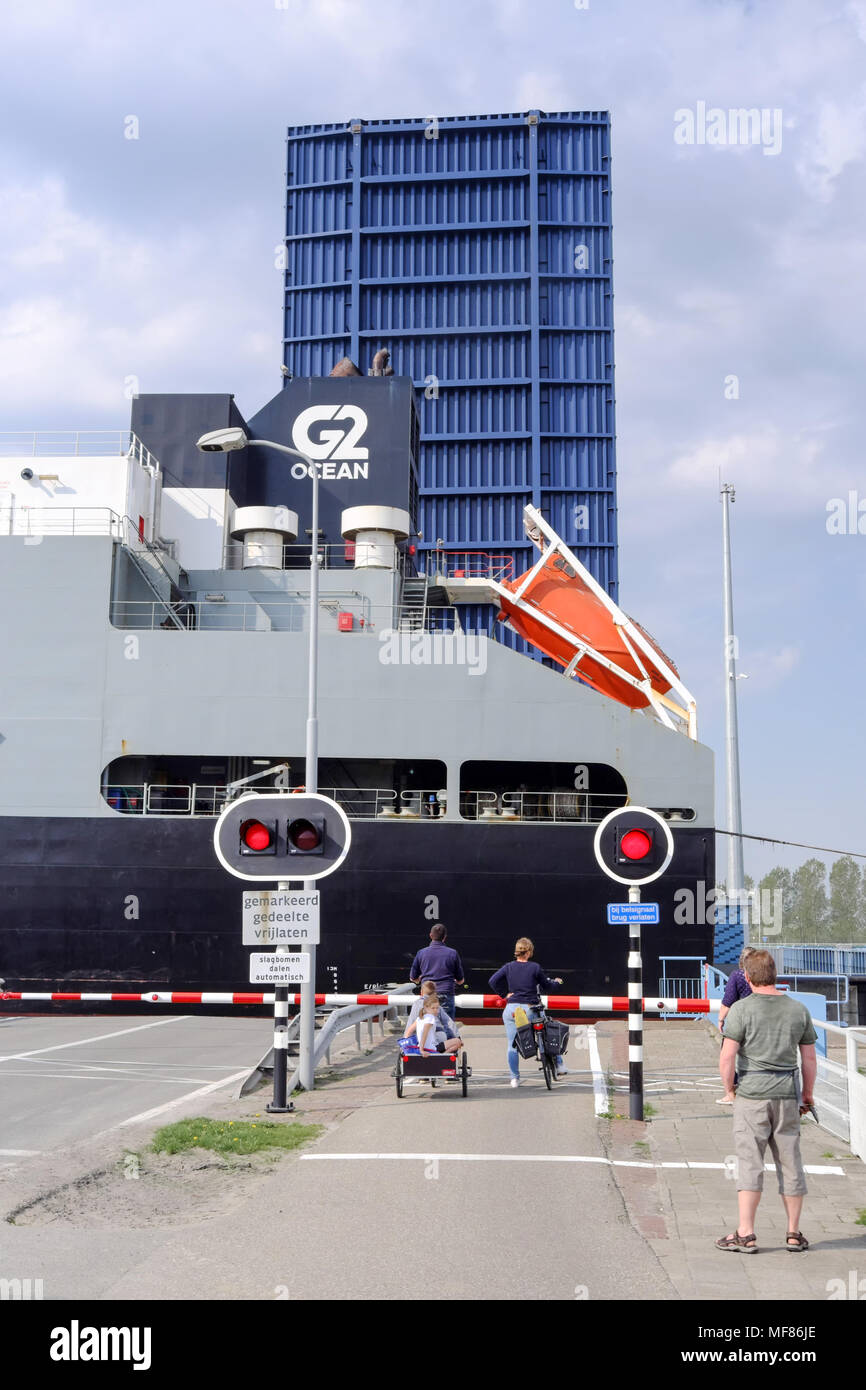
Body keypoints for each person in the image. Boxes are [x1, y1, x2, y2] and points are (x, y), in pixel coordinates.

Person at [715, 949, 817, 1254]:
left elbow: (727, 1056)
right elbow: (809, 1058)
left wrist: (730, 1089)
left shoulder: (741, 1010)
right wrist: (807, 1094)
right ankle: (793, 1233)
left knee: (750, 1162)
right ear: (775, 975)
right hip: (787, 1094)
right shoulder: (798, 1010)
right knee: (790, 1161)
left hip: (752, 1096)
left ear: (747, 977)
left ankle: (746, 1234)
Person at [489, 937, 566, 1087]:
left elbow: (492, 981)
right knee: (549, 1030)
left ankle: (514, 1079)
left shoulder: (508, 967)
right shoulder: (535, 967)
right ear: (529, 951)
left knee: (512, 1044)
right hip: (530, 1009)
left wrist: (504, 994)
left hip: (512, 1010)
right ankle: (559, 1064)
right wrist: (557, 982)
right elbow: (547, 986)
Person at [716, 946, 756, 1105]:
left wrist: (720, 1019)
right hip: (759, 1021)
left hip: (739, 1022)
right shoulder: (761, 977)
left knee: (727, 1056)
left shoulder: (737, 975)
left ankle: (730, 1093)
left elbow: (728, 1001)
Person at [409, 924, 464, 1023]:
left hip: (427, 994)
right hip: (446, 992)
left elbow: (413, 977)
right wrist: (458, 981)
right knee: (447, 1027)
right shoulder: (452, 953)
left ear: (431, 935)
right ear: (445, 937)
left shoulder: (421, 953)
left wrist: (419, 979)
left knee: (428, 1024)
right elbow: (460, 980)